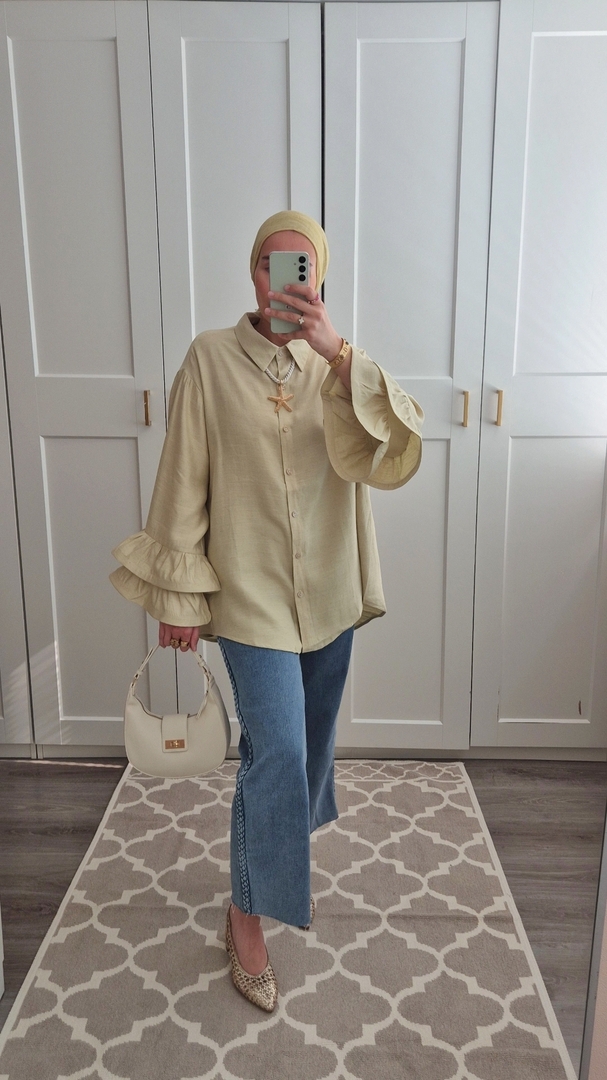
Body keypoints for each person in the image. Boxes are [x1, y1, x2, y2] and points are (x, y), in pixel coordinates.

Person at [110, 210, 423, 1012]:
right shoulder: (209, 359)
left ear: (319, 279)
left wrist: (337, 352)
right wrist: (178, 597)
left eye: (302, 267)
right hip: (247, 593)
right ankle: (245, 919)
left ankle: (268, 852)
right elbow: (183, 476)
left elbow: (395, 449)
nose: (285, 280)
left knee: (306, 753)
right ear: (252, 274)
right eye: (271, 265)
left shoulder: (336, 366)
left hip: (328, 591)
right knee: (276, 753)